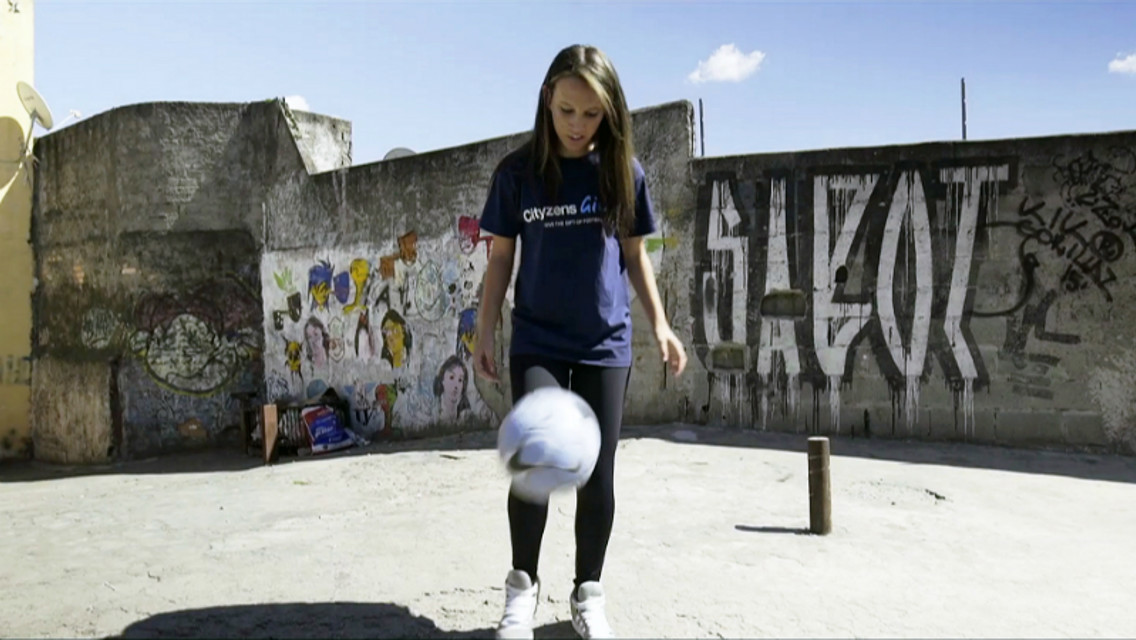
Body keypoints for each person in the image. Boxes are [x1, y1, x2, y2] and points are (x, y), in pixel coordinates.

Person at [472, 44, 687, 640]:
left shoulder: (623, 172)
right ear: (548, 101)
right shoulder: (517, 173)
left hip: (604, 342)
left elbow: (634, 255)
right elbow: (499, 260)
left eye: (590, 114)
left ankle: (587, 592)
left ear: (610, 113)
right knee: (535, 459)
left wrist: (661, 325)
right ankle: (522, 589)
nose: (576, 125)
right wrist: (484, 331)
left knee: (599, 474)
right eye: (567, 110)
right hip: (538, 339)